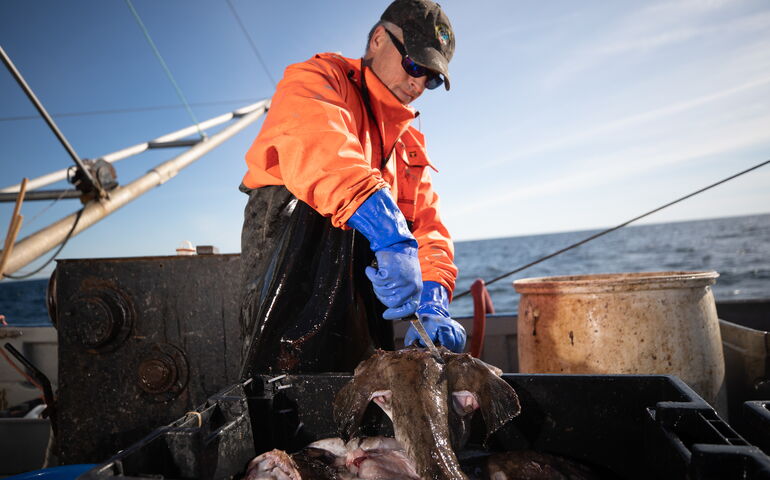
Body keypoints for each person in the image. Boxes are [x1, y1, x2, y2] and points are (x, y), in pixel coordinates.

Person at [238, 0, 465, 377]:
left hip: (360, 299)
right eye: (415, 65)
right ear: (378, 39)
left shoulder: (409, 147)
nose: (419, 84)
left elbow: (428, 229)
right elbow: (320, 148)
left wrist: (433, 298)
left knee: (364, 385)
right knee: (282, 389)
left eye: (432, 78)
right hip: (291, 267)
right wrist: (391, 234)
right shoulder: (319, 78)